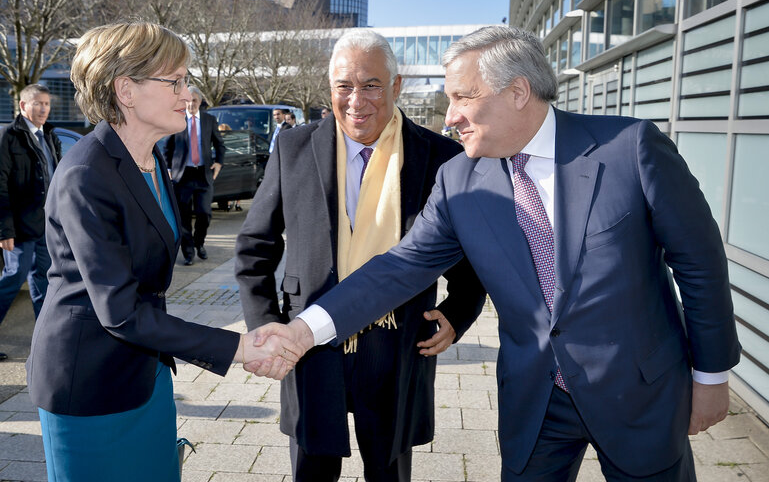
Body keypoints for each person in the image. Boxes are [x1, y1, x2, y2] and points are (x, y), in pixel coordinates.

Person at [256, 26, 741, 481]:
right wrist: (303, 330)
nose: (450, 116)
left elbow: (699, 266)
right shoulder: (458, 179)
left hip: (642, 395)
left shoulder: (630, 149)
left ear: (517, 92)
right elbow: (397, 269)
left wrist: (711, 375)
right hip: (535, 404)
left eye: (463, 97)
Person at [25, 21, 298, 482]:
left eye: (185, 80)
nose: (187, 93)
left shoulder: (150, 162)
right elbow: (121, 310)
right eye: (175, 80)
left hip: (145, 375)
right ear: (125, 89)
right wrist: (237, 347)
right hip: (90, 387)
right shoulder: (86, 174)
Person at [235, 29, 486, 482]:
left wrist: (458, 311)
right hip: (309, 347)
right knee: (312, 469)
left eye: (371, 85)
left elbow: (471, 253)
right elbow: (255, 247)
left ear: (395, 86)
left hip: (398, 345)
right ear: (329, 89)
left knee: (389, 473)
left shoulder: (442, 157)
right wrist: (264, 325)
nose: (356, 101)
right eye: (343, 87)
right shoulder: (293, 149)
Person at [0, 83, 61, 361]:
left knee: (43, 284)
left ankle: (47, 341)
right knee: (12, 279)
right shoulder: (9, 136)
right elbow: (0, 186)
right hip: (19, 228)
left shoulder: (49, 136)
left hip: (45, 227)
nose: (44, 109)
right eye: (38, 103)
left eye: (47, 104)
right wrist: (4, 229)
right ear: (23, 106)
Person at [163, 86, 225, 265]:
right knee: (183, 217)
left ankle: (200, 243)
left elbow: (220, 145)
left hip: (203, 175)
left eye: (194, 101)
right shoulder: (177, 120)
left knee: (204, 213)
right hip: (182, 176)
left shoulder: (209, 120)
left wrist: (219, 163)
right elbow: (167, 147)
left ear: (200, 102)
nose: (191, 104)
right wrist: (168, 168)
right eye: (188, 101)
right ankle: (188, 252)